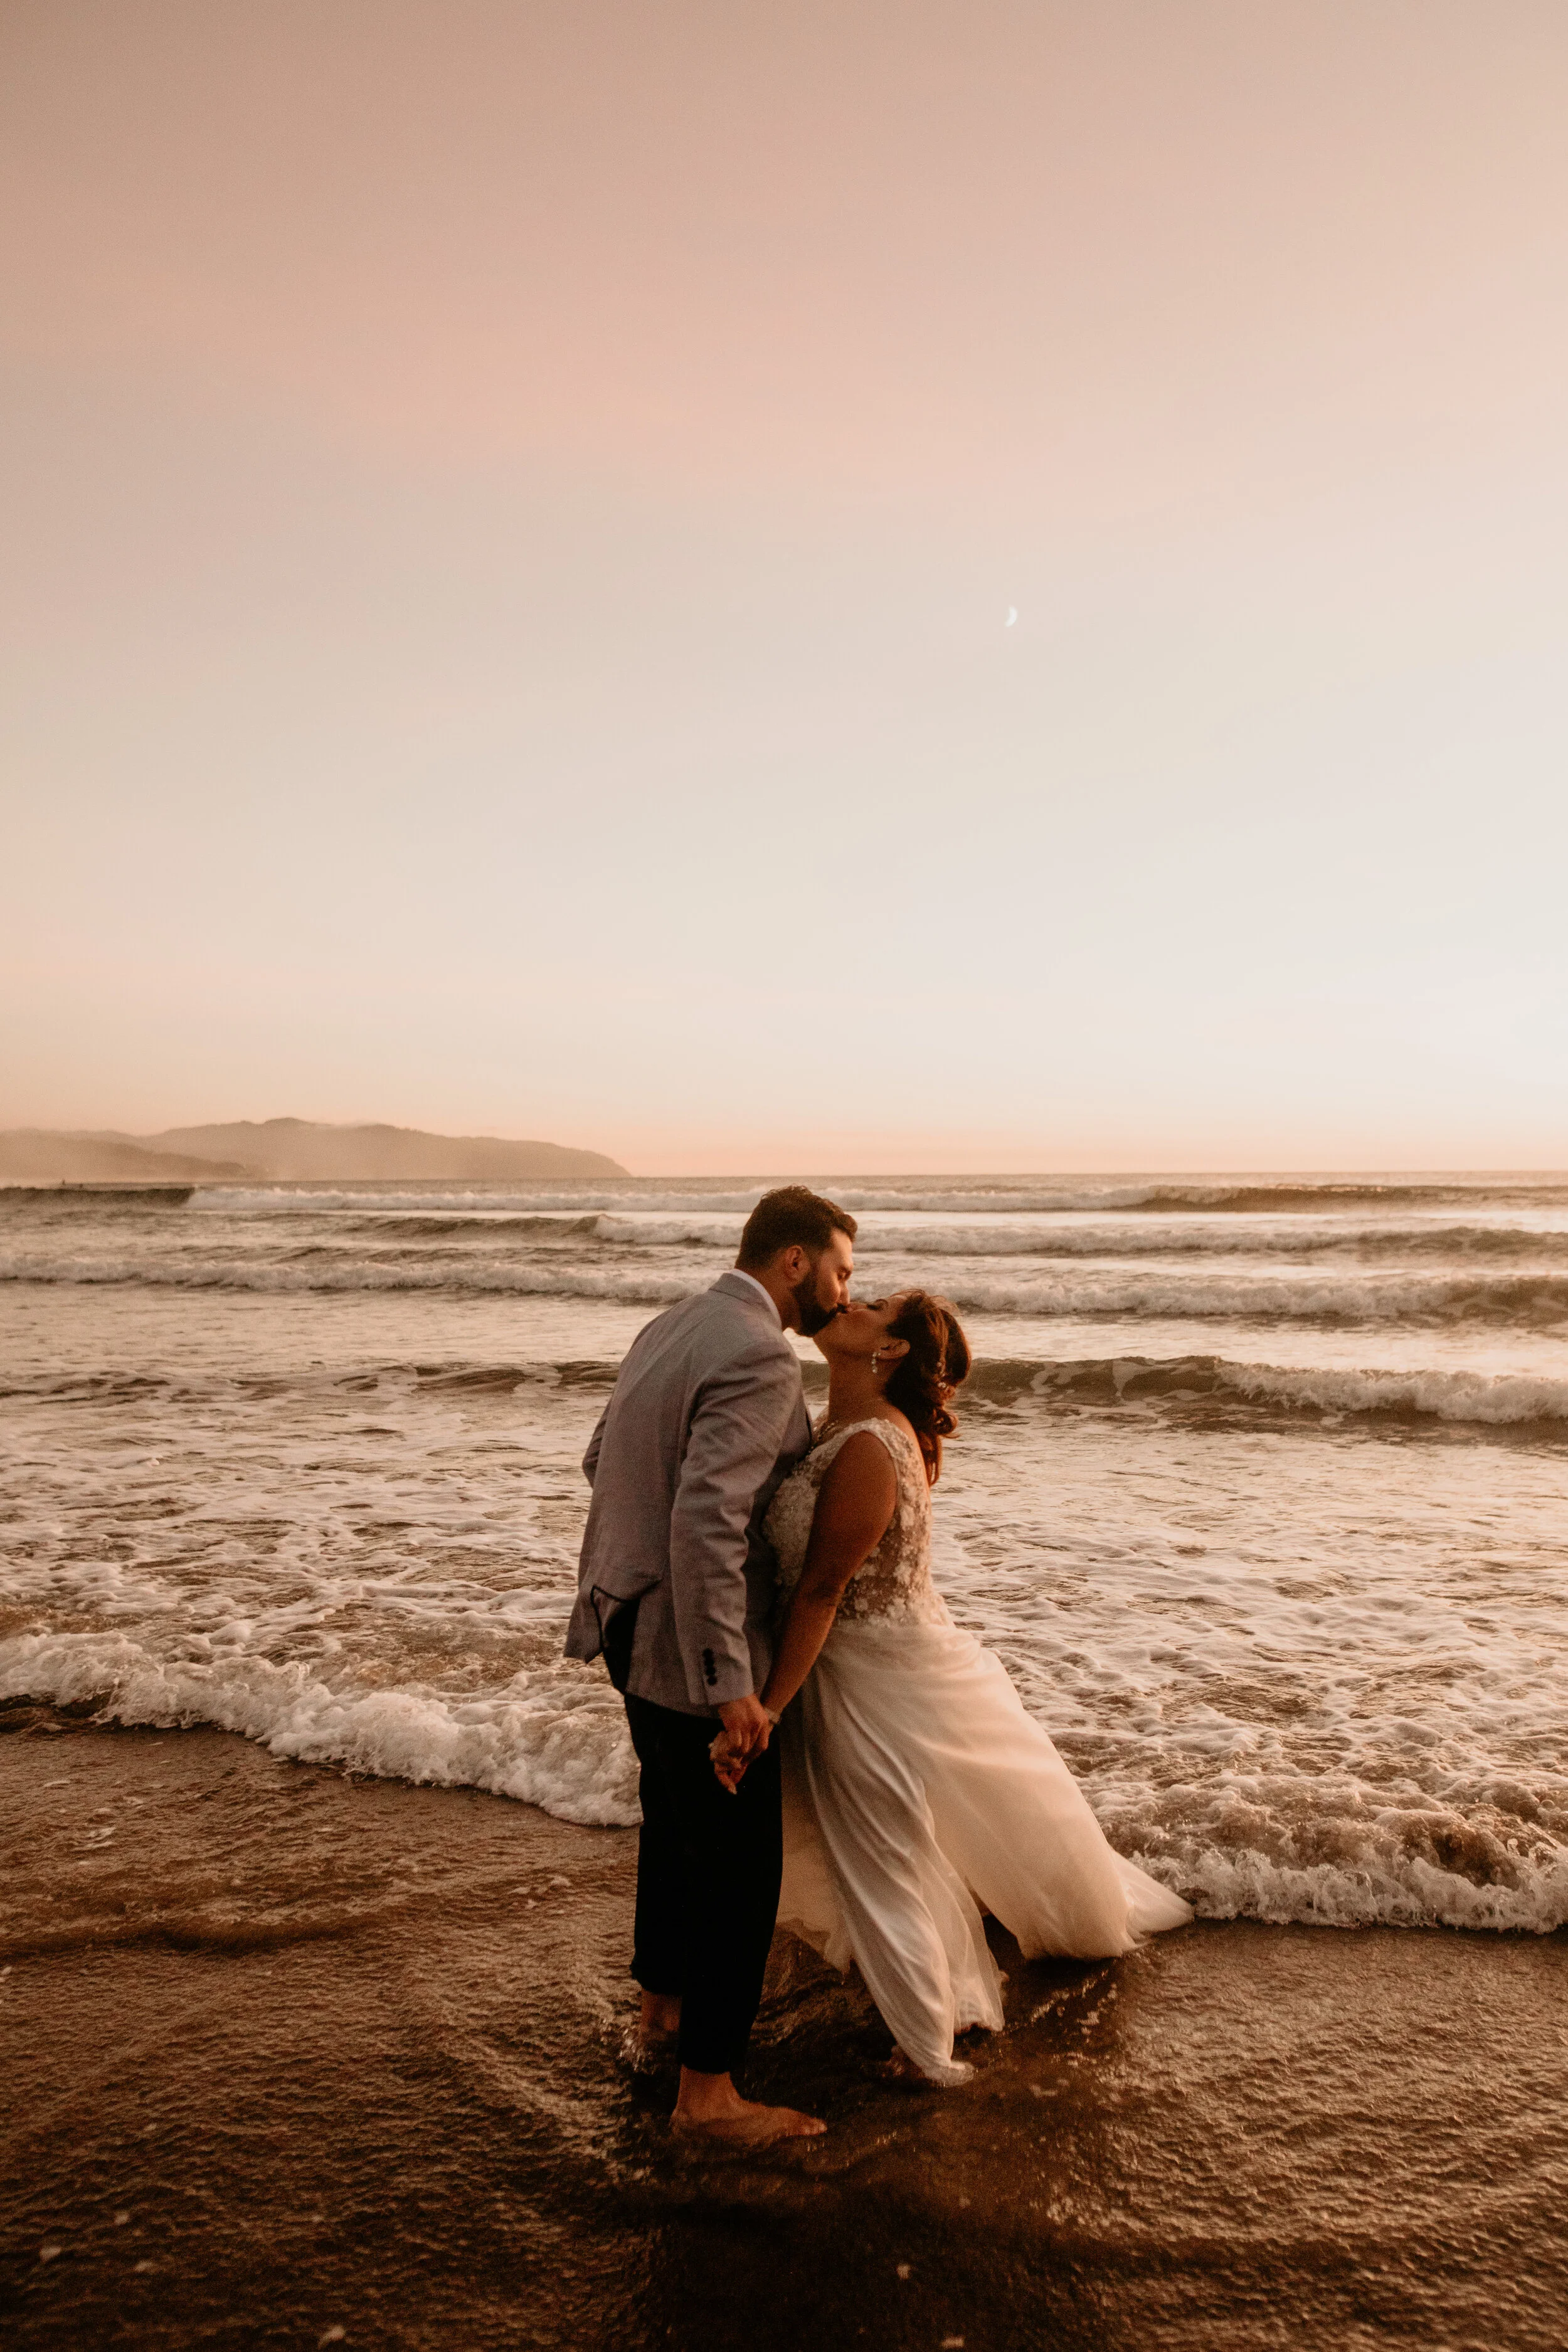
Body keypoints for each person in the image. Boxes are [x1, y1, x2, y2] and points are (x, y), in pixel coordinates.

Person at [739, 1288, 1192, 2086]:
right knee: (880, 1842)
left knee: (885, 1850)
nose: (851, 1301)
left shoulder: (871, 1450)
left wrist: (766, 1710)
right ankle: (921, 1985)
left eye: (874, 1307)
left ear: (892, 1352)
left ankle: (929, 2034)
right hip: (853, 1663)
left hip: (873, 1676)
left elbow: (821, 1592)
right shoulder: (835, 1431)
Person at [564, 1184, 856, 2141]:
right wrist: (729, 1684)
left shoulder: (673, 1322)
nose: (845, 1292)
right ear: (793, 1261)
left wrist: (624, 1576)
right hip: (683, 1647)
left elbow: (603, 1454)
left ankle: (662, 2007)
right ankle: (709, 2097)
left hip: (622, 1617)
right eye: (841, 1270)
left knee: (673, 1825)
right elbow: (706, 1521)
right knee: (738, 1869)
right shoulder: (761, 1353)